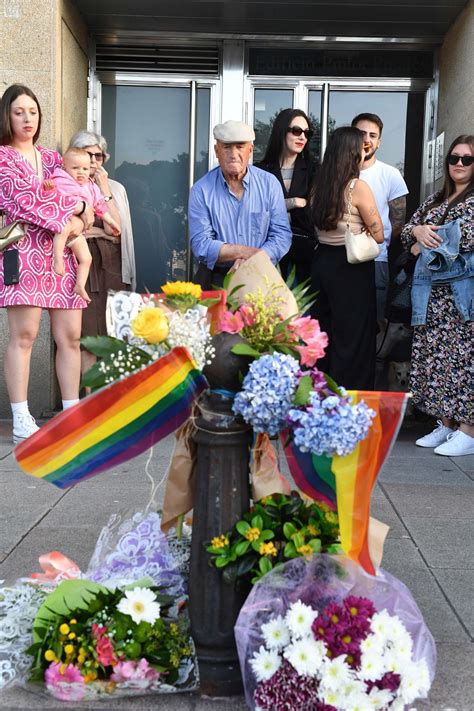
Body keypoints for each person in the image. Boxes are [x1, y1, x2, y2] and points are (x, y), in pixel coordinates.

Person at [0, 84, 94, 442]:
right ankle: (21, 417)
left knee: (70, 336)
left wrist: (84, 208)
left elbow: (82, 194)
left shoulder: (53, 159)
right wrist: (78, 209)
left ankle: (71, 411)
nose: (27, 118)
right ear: (7, 115)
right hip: (23, 253)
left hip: (63, 253)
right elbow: (27, 202)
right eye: (19, 111)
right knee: (24, 336)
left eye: (33, 112)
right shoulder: (3, 158)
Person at [401, 134, 473, 457]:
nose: (458, 164)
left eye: (466, 159)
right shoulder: (434, 200)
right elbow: (406, 232)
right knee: (436, 358)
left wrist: (422, 242)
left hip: (459, 294)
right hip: (429, 295)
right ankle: (445, 424)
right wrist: (416, 233)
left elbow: (460, 240)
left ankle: (468, 430)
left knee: (462, 360)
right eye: (454, 158)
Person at [310, 126, 384, 390]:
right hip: (351, 268)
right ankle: (349, 402)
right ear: (352, 153)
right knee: (353, 339)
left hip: (322, 265)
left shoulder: (319, 186)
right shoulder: (358, 187)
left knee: (324, 335)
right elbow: (379, 234)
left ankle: (321, 397)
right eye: (361, 148)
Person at [188, 120, 292, 288]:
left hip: (261, 275)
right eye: (227, 147)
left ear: (250, 150)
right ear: (216, 151)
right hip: (216, 279)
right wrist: (248, 253)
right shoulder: (201, 190)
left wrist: (253, 261)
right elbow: (201, 244)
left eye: (240, 146)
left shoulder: (269, 184)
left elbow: (281, 235)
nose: (233, 154)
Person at [67, 131, 136, 378]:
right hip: (81, 269)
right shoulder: (66, 185)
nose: (94, 161)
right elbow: (69, 228)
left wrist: (104, 187)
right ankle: (87, 402)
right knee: (85, 338)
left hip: (112, 266)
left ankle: (112, 401)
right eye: (88, 155)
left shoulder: (115, 188)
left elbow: (115, 230)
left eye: (99, 155)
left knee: (114, 336)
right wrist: (97, 231)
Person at [351, 113, 409, 324]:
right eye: (361, 133)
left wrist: (374, 241)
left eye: (372, 135)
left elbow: (398, 222)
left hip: (375, 259)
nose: (366, 139)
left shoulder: (390, 174)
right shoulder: (338, 172)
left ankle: (373, 358)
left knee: (374, 322)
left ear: (379, 142)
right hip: (339, 257)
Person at [45, 147, 121, 302]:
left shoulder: (91, 186)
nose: (81, 172)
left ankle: (80, 285)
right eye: (75, 168)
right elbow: (52, 199)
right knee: (64, 227)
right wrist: (49, 189)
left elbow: (100, 206)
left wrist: (110, 221)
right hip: (65, 223)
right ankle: (57, 259)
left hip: (77, 234)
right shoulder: (60, 180)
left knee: (86, 258)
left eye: (85, 169)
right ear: (64, 167)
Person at [257, 108, 318, 283]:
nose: (302, 137)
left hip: (303, 255)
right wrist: (294, 203)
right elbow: (256, 212)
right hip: (267, 253)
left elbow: (313, 213)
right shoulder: (259, 171)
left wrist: (277, 208)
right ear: (281, 131)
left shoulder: (314, 170)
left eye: (307, 133)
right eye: (297, 131)